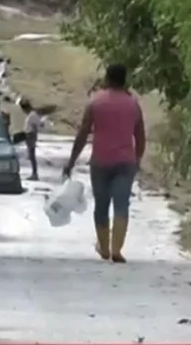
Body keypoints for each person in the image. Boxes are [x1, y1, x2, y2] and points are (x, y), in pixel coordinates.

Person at [62, 63, 145, 264]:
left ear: (107, 78)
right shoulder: (133, 104)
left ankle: (104, 247)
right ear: (124, 80)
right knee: (121, 204)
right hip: (126, 162)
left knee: (101, 205)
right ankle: (117, 249)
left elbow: (82, 134)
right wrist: (138, 160)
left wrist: (71, 161)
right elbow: (140, 136)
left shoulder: (95, 102)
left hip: (100, 162)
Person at [20, 98, 41, 181]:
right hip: (28, 136)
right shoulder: (30, 115)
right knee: (30, 156)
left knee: (32, 156)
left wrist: (34, 139)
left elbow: (36, 126)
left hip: (31, 136)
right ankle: (34, 173)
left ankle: (35, 174)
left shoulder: (33, 115)